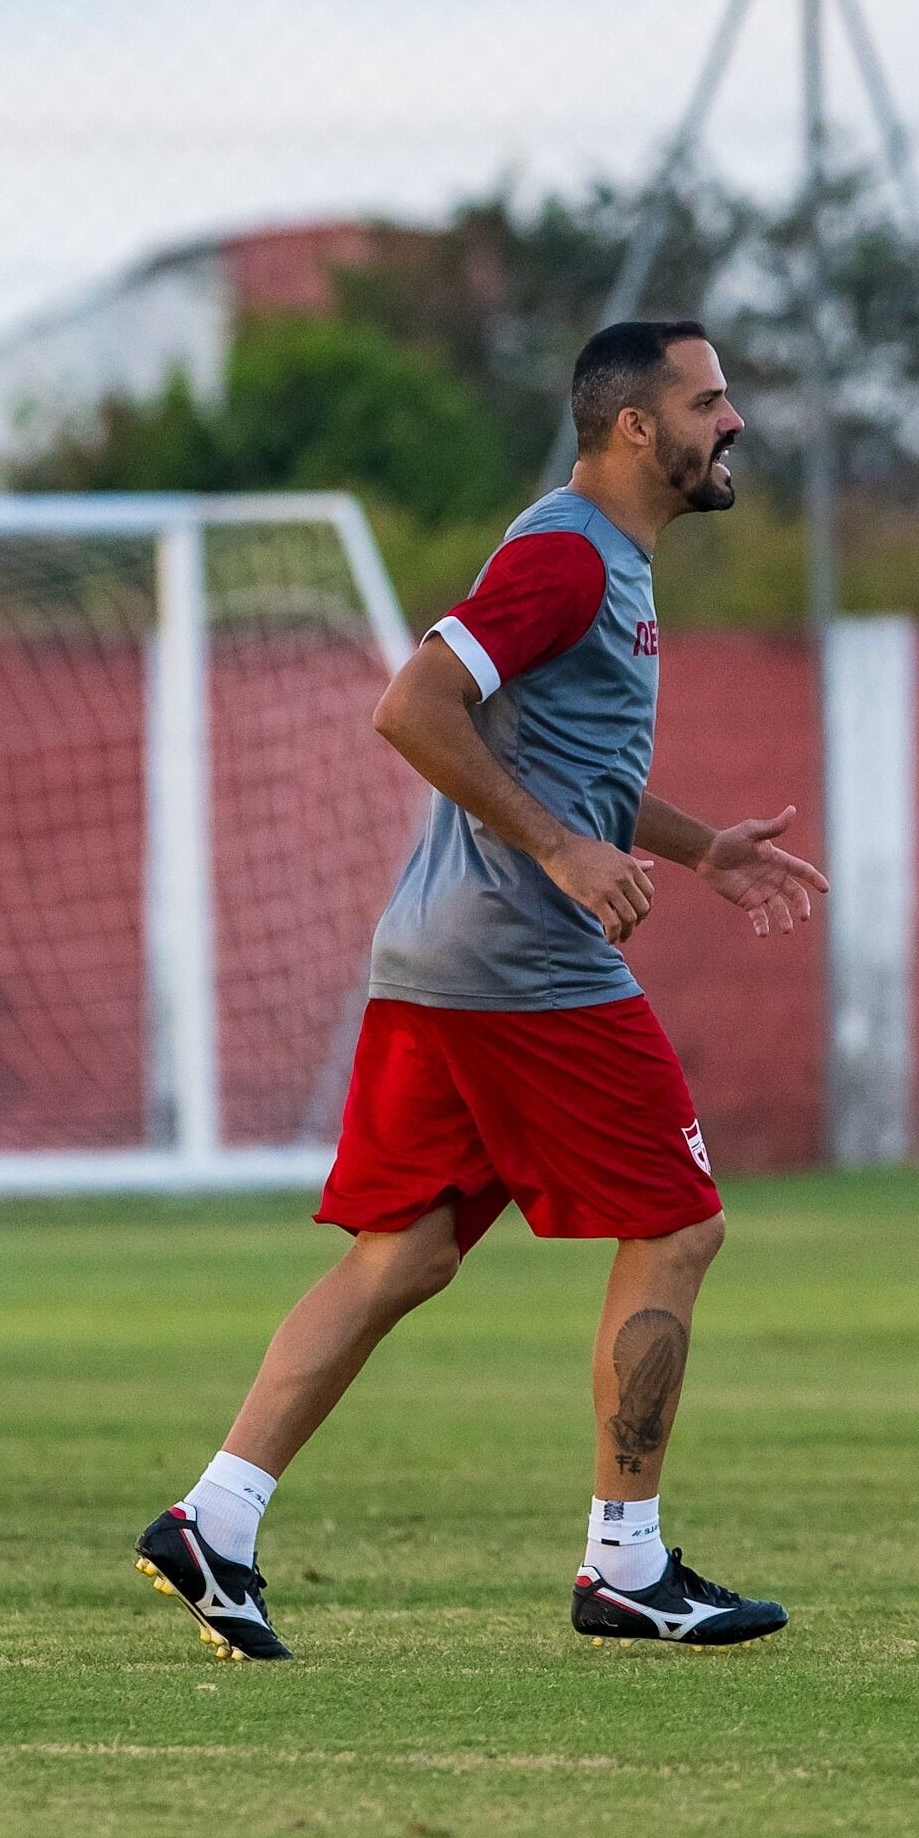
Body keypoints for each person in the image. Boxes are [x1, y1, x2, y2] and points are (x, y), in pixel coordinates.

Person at [135, 319, 826, 1662]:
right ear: (636, 427)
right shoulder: (565, 551)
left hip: (443, 956)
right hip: (522, 962)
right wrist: (564, 852)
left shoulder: (609, 563)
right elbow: (413, 705)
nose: (730, 421)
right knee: (677, 1229)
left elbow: (566, 758)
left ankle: (213, 1519)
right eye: (708, 399)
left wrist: (696, 850)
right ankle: (624, 1563)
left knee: (408, 1250)